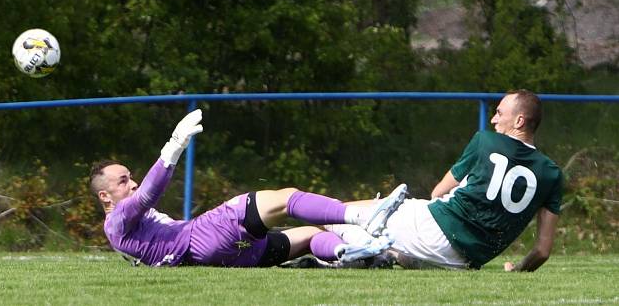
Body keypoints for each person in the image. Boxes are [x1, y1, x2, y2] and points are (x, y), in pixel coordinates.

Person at [90, 109, 407, 267]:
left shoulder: (125, 230)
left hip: (224, 257)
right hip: (203, 237)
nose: (131, 183)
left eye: (130, 176)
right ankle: (361, 218)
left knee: (310, 236)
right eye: (122, 181)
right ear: (105, 196)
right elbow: (148, 194)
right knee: (285, 198)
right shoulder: (116, 221)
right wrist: (174, 146)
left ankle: (349, 252)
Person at [326, 89, 563, 271]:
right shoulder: (552, 173)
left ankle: (295, 231)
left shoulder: (485, 142)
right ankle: (381, 255)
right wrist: (518, 270)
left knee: (335, 214)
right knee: (383, 240)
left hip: (434, 232)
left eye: (499, 113)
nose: (493, 120)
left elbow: (438, 192)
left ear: (519, 121)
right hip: (463, 262)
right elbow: (542, 251)